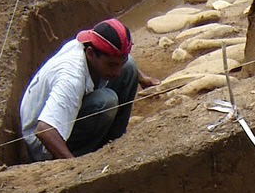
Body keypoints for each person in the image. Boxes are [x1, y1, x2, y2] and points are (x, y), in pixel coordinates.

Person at [20, 18, 158, 161]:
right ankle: (90, 156)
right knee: (105, 102)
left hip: (64, 117)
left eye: (118, 64)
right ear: (91, 54)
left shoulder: (89, 44)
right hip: (44, 146)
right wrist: (74, 166)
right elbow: (44, 130)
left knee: (129, 67)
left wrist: (142, 78)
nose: (116, 72)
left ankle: (115, 145)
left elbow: (122, 61)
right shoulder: (71, 78)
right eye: (111, 65)